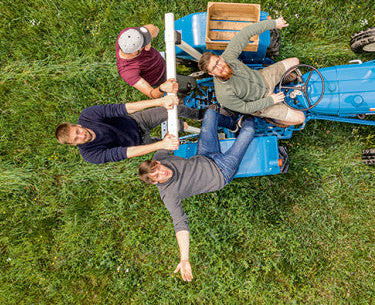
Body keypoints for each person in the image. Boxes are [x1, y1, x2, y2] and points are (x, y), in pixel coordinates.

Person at [138, 108, 255, 282]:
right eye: (157, 176)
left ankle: (232, 125)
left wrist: (173, 120)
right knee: (249, 130)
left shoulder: (161, 156)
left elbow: (169, 138)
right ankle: (250, 117)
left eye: (158, 168)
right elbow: (180, 224)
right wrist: (184, 258)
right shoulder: (169, 195)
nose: (162, 172)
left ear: (157, 162)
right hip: (222, 172)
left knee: (210, 114)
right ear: (155, 183)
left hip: (205, 155)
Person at [197, 17, 305, 126]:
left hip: (263, 78)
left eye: (217, 62)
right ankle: (273, 119)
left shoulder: (228, 56)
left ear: (220, 57)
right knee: (300, 118)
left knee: (295, 61)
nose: (220, 67)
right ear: (211, 73)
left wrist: (274, 23)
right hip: (260, 102)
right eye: (214, 68)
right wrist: (270, 100)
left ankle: (281, 79)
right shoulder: (223, 95)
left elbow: (245, 33)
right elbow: (246, 108)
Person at [55, 96, 201, 164]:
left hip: (136, 121)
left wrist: (159, 102)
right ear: (74, 145)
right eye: (76, 139)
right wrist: (161, 144)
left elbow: (123, 108)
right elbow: (125, 153)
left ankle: (201, 115)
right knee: (174, 149)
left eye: (77, 131)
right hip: (138, 143)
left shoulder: (88, 115)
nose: (81, 136)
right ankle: (198, 143)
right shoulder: (90, 155)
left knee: (174, 109)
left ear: (77, 125)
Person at [116, 24, 196, 99]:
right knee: (191, 83)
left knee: (192, 64)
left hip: (162, 61)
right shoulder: (128, 72)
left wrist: (148, 41)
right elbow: (152, 94)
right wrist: (162, 89)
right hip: (161, 78)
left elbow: (155, 28)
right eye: (143, 44)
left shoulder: (128, 35)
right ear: (135, 52)